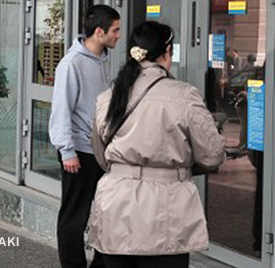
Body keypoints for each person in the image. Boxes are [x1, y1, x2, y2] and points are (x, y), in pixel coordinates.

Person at [89, 21, 226, 268]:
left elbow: (101, 155)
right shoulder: (184, 95)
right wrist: (180, 167)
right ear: (167, 52)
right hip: (165, 209)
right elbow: (212, 154)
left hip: (114, 205)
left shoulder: (109, 96)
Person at [49, 4, 121, 268]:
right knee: (75, 217)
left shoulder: (105, 61)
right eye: (115, 30)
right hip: (78, 152)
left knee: (105, 212)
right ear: (99, 32)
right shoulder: (71, 64)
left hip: (102, 151)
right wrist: (67, 151)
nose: (118, 35)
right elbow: (61, 109)